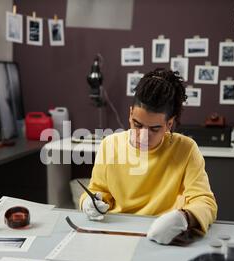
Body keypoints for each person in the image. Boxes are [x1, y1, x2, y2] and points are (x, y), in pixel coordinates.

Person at [80, 68, 217, 245]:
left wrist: (184, 218)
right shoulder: (110, 145)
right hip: (116, 235)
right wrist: (88, 203)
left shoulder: (186, 149)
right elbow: (98, 191)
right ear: (130, 114)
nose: (143, 136)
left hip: (163, 235)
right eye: (137, 125)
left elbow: (204, 201)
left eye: (154, 129)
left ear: (169, 124)